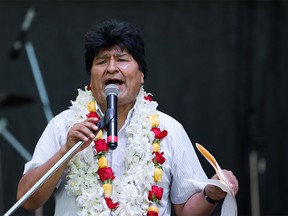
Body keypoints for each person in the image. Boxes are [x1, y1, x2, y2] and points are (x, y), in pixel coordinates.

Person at [16, 19, 239, 216]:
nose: (111, 68)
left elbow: (185, 211)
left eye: (121, 59)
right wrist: (66, 151)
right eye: (102, 61)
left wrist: (211, 194)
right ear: (90, 77)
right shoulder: (63, 126)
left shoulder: (168, 129)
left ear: (141, 75)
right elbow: (27, 201)